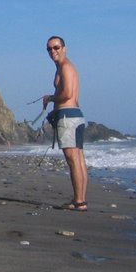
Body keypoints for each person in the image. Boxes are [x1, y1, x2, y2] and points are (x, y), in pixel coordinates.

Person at [42, 36, 88, 211]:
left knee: (73, 160)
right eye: (49, 49)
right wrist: (54, 109)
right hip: (74, 115)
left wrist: (51, 98)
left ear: (64, 48)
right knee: (78, 160)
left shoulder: (65, 67)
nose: (53, 51)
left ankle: (79, 201)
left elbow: (67, 94)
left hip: (69, 117)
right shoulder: (65, 67)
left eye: (56, 47)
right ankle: (80, 199)